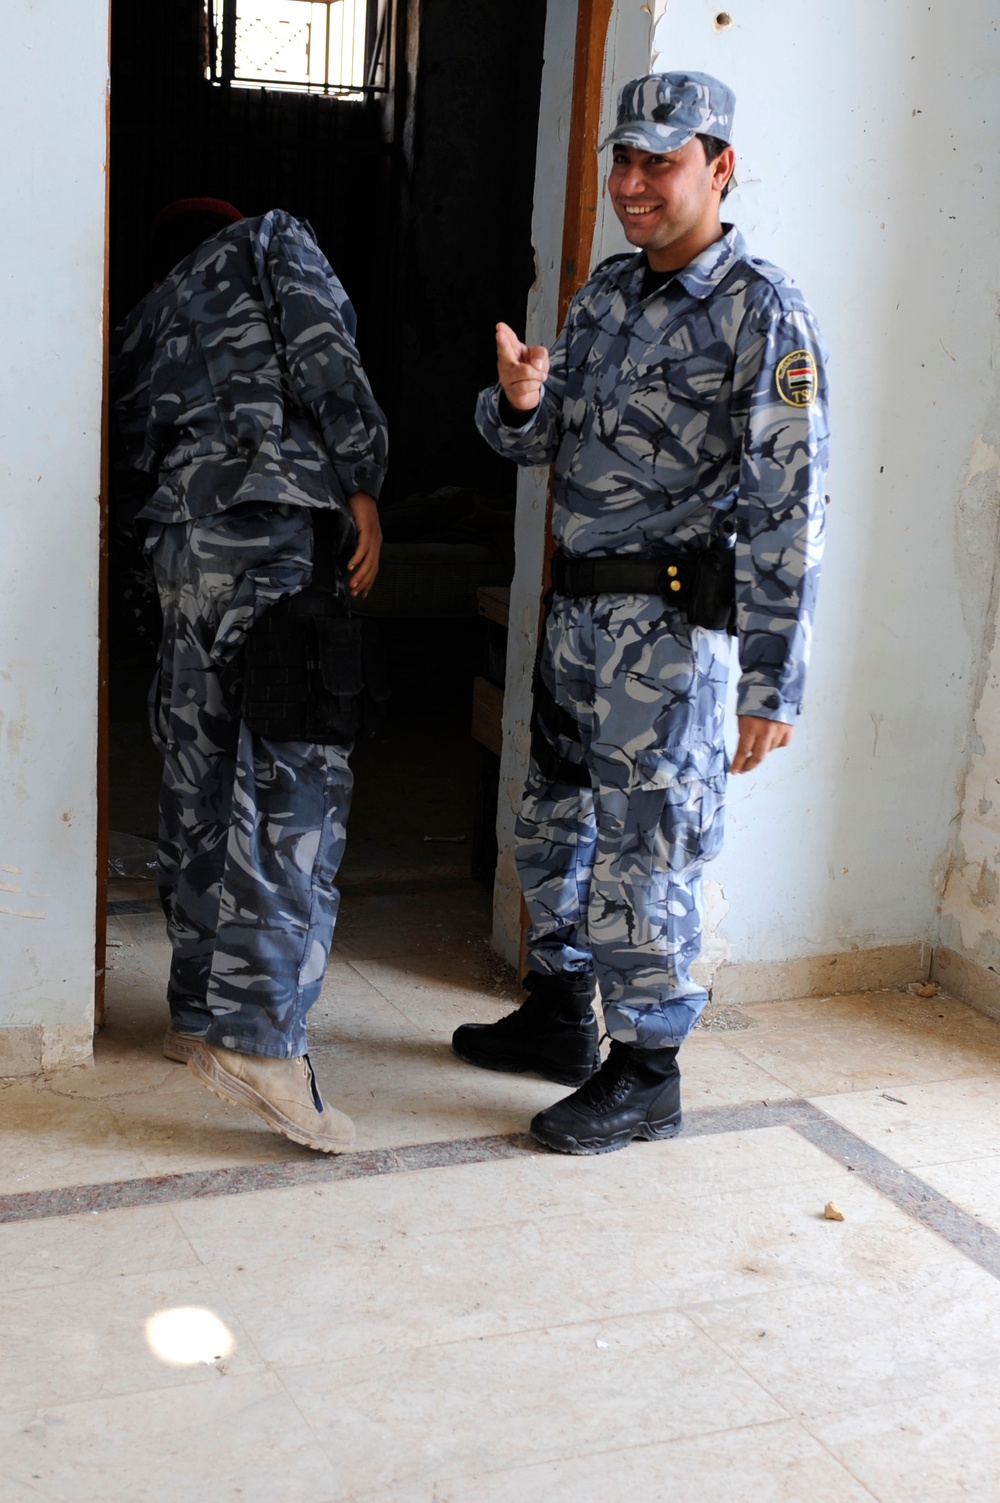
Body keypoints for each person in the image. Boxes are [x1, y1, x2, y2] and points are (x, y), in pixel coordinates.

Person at [451, 72, 829, 1154]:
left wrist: (770, 682)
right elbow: (539, 444)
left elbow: (789, 505)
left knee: (645, 856)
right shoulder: (609, 292)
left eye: (657, 162)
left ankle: (647, 1069)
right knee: (551, 831)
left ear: (719, 167)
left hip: (670, 640)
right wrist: (519, 399)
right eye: (622, 159)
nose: (629, 182)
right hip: (579, 625)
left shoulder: (764, 308)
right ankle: (562, 1018)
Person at [112, 199, 388, 1153]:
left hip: (180, 541)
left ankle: (198, 1009)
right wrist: (361, 477)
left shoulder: (147, 314)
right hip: (272, 523)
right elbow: (321, 350)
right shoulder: (269, 238)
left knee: (199, 762)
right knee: (289, 782)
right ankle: (261, 1041)